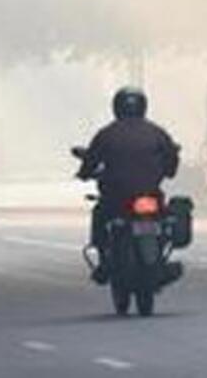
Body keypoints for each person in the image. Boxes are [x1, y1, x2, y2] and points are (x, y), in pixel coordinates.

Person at [76, 86, 180, 283]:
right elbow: (171, 161)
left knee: (100, 214)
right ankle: (159, 261)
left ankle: (105, 262)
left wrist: (84, 173)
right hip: (151, 196)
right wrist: (165, 170)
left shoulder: (107, 134)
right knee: (164, 219)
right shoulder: (157, 133)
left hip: (117, 197)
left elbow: (90, 161)